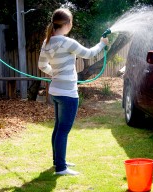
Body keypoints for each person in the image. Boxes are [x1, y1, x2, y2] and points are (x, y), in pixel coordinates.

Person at [38, 8, 108, 176]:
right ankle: (61, 168)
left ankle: (58, 161)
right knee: (63, 130)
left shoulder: (47, 42)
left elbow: (41, 66)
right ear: (68, 24)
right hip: (67, 93)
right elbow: (89, 54)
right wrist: (102, 44)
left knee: (58, 128)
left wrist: (54, 73)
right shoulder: (67, 42)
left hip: (55, 91)